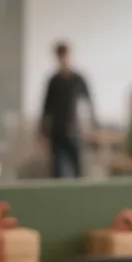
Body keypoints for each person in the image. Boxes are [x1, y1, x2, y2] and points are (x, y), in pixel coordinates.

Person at [40, 42, 94, 179]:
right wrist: (42, 134)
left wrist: (89, 127)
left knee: (78, 171)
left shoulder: (78, 79)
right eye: (61, 56)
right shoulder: (53, 81)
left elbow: (88, 104)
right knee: (57, 171)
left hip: (76, 133)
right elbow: (46, 110)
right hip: (57, 133)